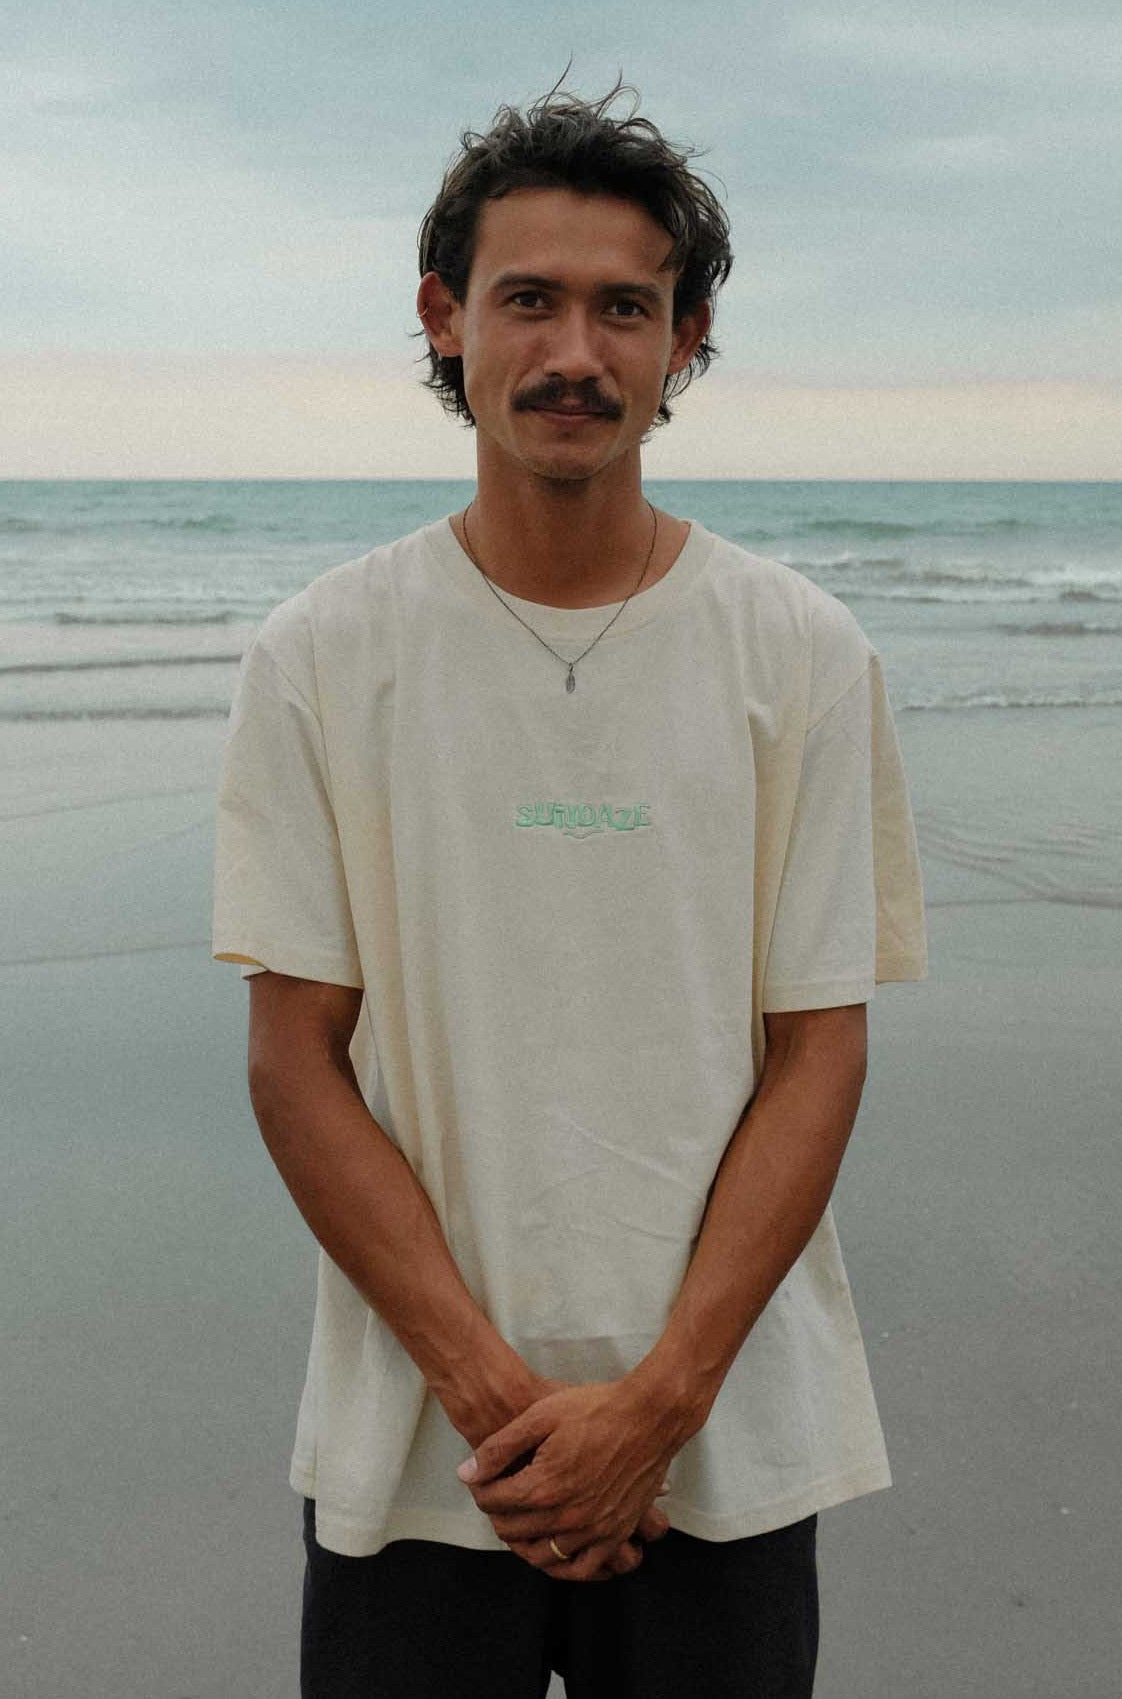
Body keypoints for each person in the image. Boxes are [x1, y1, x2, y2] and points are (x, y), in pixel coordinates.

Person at [212, 82, 927, 1699]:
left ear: (686, 345)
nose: (573, 355)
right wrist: (505, 1413)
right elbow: (293, 1059)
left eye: (627, 309)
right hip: (420, 1452)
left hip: (728, 1438)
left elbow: (818, 1048)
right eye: (527, 298)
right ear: (444, 315)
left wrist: (656, 1408)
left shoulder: (798, 654)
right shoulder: (323, 658)